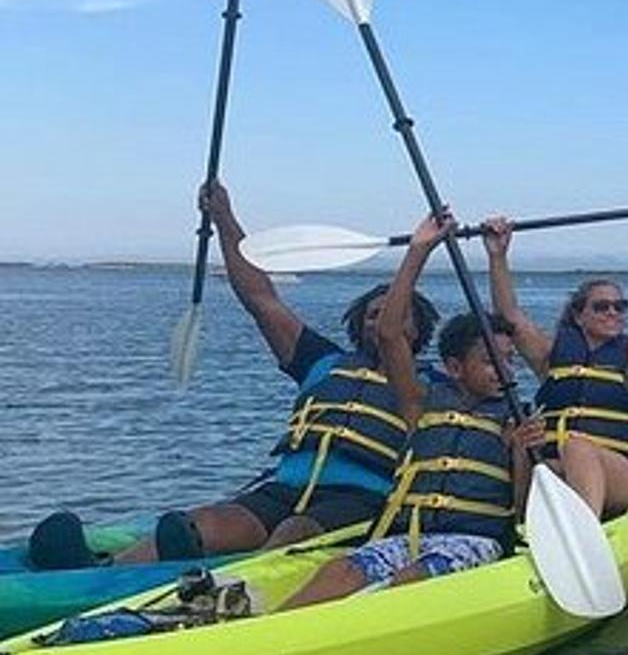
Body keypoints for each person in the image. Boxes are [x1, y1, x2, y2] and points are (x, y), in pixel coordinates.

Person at [27, 182, 439, 570]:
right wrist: (224, 217)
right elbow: (261, 299)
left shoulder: (434, 387)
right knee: (202, 523)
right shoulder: (321, 362)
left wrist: (495, 256)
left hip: (359, 500)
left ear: (417, 330)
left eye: (395, 314)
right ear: (356, 324)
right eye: (373, 314)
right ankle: (101, 574)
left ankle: (237, 599)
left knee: (292, 533)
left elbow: (500, 352)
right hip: (282, 490)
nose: (381, 320)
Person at [282, 215, 540, 609]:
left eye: (509, 360)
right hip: (403, 536)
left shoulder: (516, 421)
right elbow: (390, 334)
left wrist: (522, 454)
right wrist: (419, 250)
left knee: (412, 581)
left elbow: (521, 512)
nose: (505, 370)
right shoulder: (419, 403)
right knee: (340, 572)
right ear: (455, 367)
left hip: (473, 542)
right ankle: (272, 631)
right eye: (490, 361)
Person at [484, 195, 628, 518]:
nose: (612, 312)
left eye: (619, 306)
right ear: (579, 315)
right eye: (601, 306)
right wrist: (498, 255)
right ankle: (518, 529)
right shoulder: (552, 356)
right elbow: (509, 314)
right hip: (559, 472)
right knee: (527, 449)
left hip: (620, 476)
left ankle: (584, 535)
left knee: (578, 447)